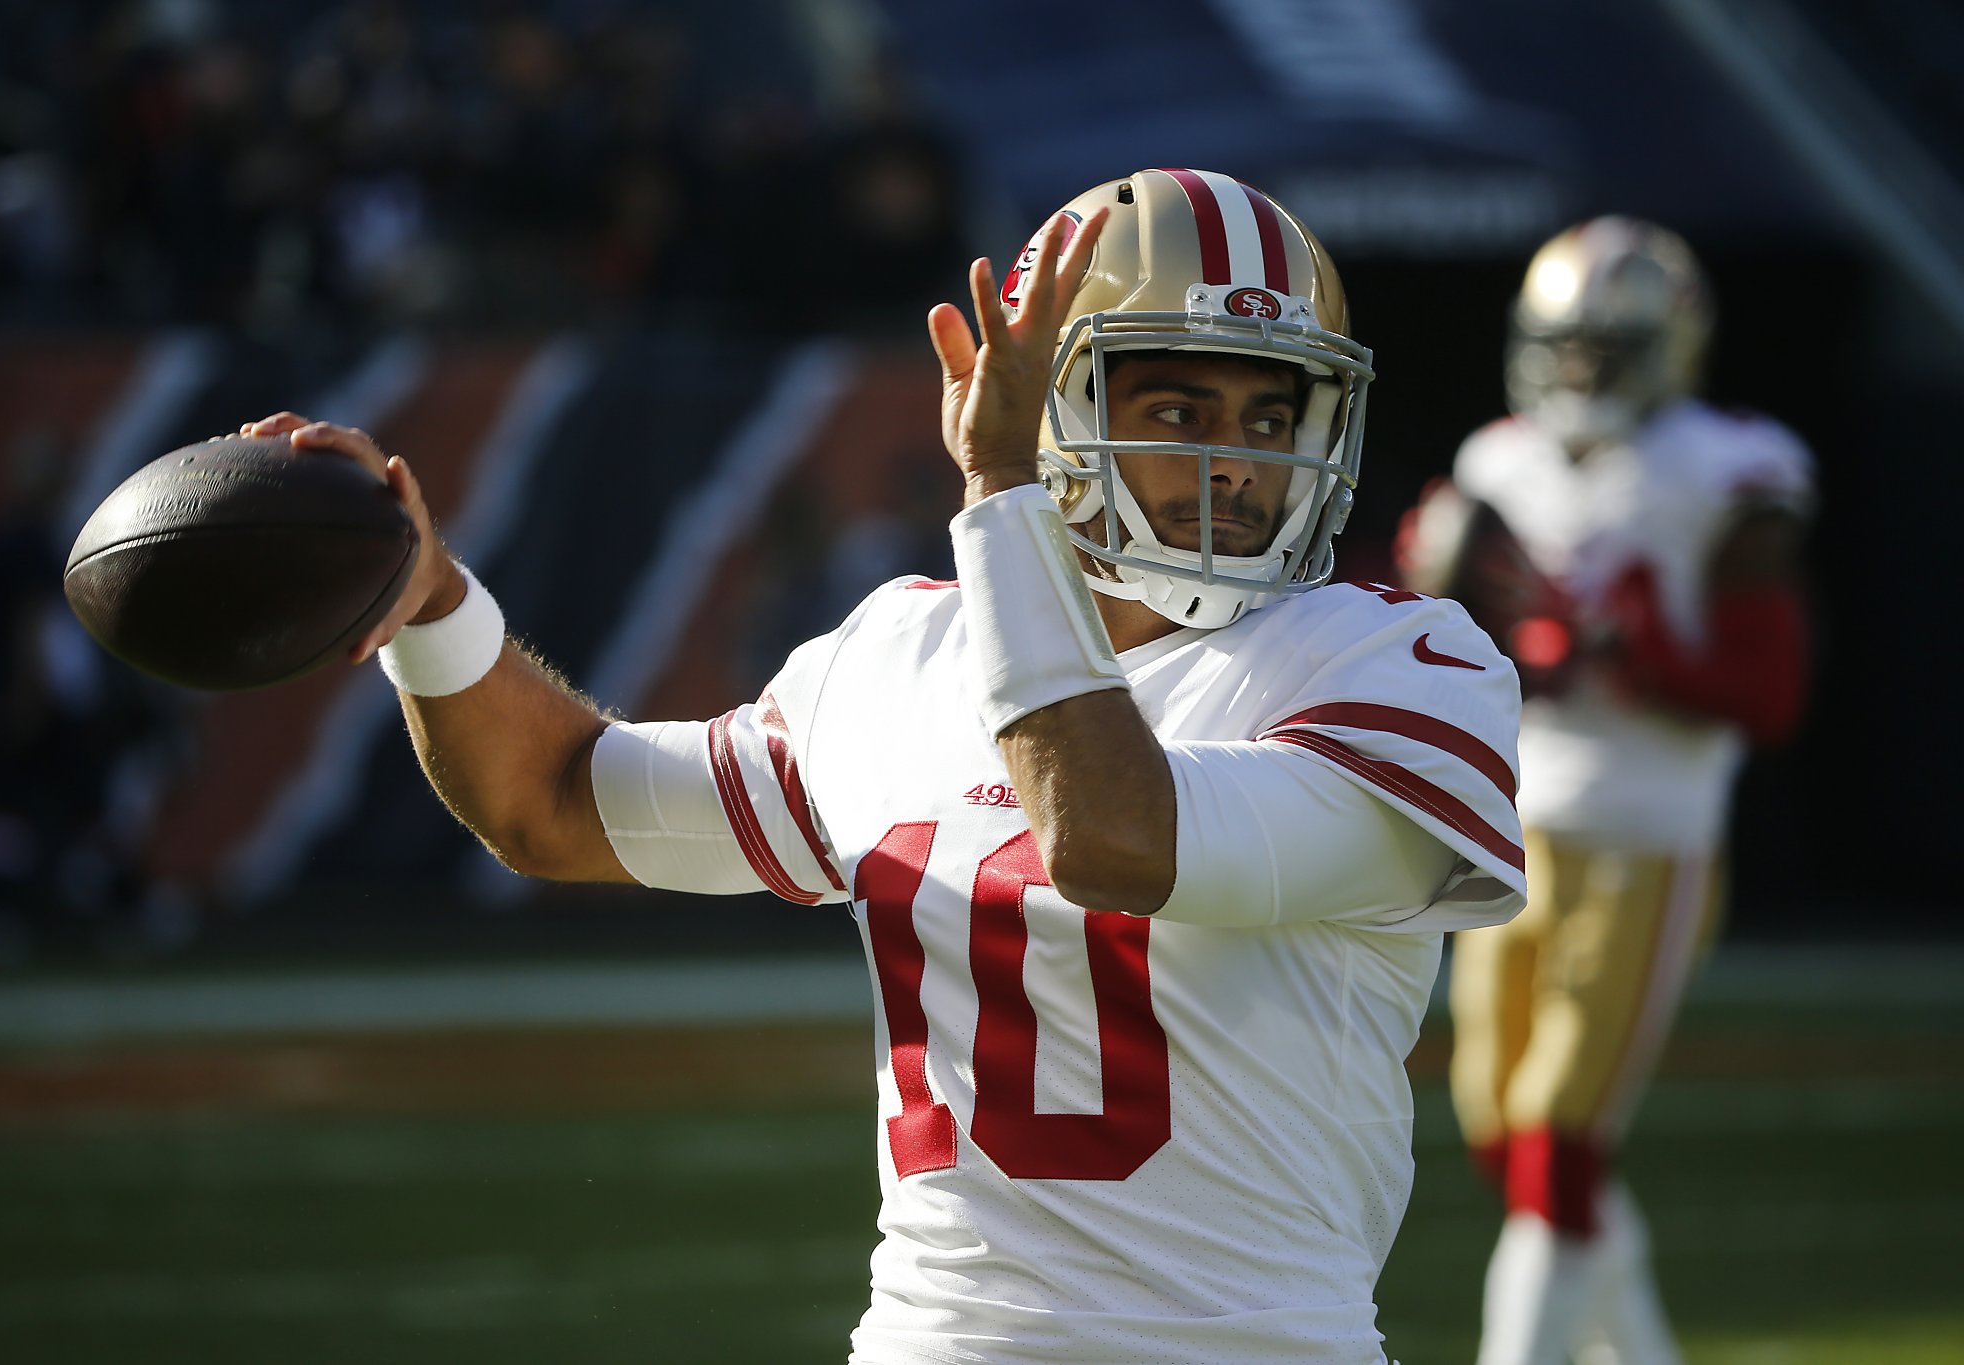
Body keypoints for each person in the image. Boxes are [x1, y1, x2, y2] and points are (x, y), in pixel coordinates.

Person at [242, 168, 1526, 1364]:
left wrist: (1001, 498)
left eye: (1269, 409)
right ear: (1056, 406)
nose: (1237, 459)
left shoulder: (1397, 664)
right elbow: (553, 804)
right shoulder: (905, 653)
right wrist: (431, 601)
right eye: (1177, 405)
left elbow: (1116, 837)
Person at [1397, 217, 1813, 1365]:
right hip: (1511, 831)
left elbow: (1766, 693)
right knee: (1498, 1122)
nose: (1576, 371)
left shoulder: (1724, 467)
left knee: (1562, 1133)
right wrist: (1433, 592)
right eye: (1561, 345)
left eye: (1603, 348)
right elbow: (1453, 645)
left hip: (1648, 833)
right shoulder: (1500, 462)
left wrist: (1625, 654)